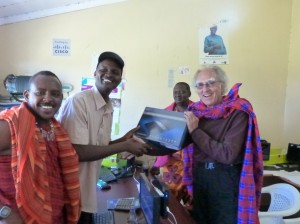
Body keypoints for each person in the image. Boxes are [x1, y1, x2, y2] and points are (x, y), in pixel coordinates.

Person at [57, 51, 150, 224]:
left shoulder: (108, 107)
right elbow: (76, 151)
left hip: (86, 193)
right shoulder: (79, 102)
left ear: (120, 78)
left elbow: (96, 146)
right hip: (68, 194)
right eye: (103, 69)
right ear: (95, 73)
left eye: (115, 72)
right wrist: (124, 146)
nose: (109, 74)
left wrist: (122, 140)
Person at [183, 65, 263, 224]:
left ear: (222, 85)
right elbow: (176, 142)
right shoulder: (195, 112)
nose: (205, 89)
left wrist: (195, 131)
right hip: (200, 177)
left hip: (225, 179)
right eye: (200, 85)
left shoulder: (238, 111)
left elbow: (228, 155)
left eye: (211, 83)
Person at [0, 71, 81, 224]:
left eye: (55, 94)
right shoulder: (10, 125)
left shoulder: (57, 130)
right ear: (26, 95)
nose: (48, 98)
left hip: (54, 217)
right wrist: (3, 212)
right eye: (40, 92)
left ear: (61, 98)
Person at [150, 82, 194, 204]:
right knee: (169, 200)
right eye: (175, 92)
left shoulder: (199, 111)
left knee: (193, 202)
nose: (178, 95)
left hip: (193, 163)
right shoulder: (166, 113)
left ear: (189, 93)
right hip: (171, 165)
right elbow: (158, 140)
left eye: (182, 91)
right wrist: (155, 163)